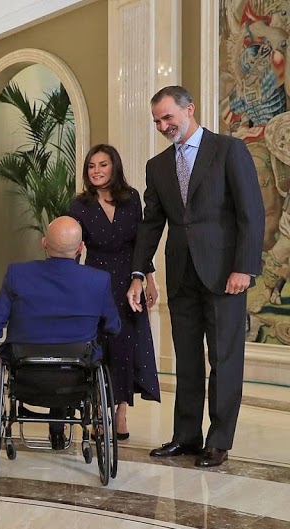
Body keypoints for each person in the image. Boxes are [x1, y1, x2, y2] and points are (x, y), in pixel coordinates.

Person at [126, 86, 265, 468]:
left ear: (189, 109)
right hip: (182, 275)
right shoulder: (157, 166)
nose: (163, 126)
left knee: (224, 358)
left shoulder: (228, 150)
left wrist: (244, 267)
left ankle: (218, 441)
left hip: (224, 275)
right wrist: (139, 272)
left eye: (168, 117)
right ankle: (186, 436)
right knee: (186, 359)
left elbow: (251, 213)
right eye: (157, 121)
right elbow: (151, 225)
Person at [0, 217, 121, 450]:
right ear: (81, 248)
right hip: (76, 376)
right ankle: (59, 428)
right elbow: (114, 327)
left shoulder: (18, 275)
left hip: (26, 377)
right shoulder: (99, 280)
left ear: (44, 242)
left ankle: (56, 429)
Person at [68, 144, 161, 440]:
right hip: (94, 281)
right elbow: (72, 247)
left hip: (129, 281)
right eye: (91, 166)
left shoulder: (131, 198)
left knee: (124, 347)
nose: (96, 171)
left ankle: (121, 411)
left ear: (114, 167)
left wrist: (149, 280)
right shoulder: (79, 205)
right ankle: (98, 410)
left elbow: (141, 243)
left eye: (102, 164)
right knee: (99, 347)